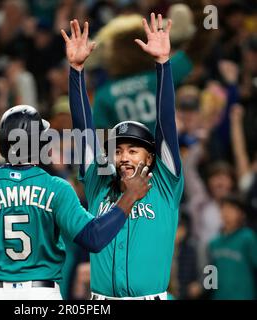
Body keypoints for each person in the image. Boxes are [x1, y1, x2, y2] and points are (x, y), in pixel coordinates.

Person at [0, 105, 153, 300]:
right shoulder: (57, 188)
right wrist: (129, 197)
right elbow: (94, 238)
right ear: (41, 142)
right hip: (41, 294)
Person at [61, 15, 183, 299]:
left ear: (151, 157)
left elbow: (166, 124)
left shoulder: (165, 184)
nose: (124, 157)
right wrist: (76, 70)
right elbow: (83, 131)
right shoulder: (98, 183)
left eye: (133, 150)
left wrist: (163, 65)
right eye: (117, 150)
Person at [208, 195, 257, 300]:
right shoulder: (214, 243)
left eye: (231, 208)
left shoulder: (248, 237)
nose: (226, 212)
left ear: (241, 213)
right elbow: (210, 275)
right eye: (224, 208)